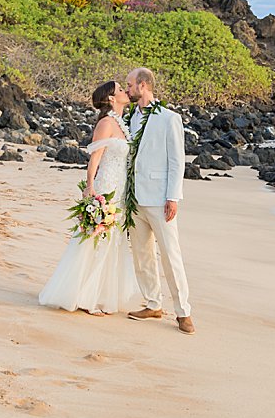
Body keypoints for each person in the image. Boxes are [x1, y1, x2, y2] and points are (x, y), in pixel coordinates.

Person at [37, 81, 138, 315]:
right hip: (106, 185)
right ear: (111, 99)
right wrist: (90, 186)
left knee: (113, 239)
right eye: (120, 89)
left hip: (120, 187)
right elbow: (95, 158)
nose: (125, 92)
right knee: (98, 238)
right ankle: (85, 297)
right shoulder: (105, 123)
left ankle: (101, 294)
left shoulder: (121, 124)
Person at [123, 67, 194, 334]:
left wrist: (173, 197)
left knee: (170, 254)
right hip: (134, 197)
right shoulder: (129, 117)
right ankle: (153, 303)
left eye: (129, 84)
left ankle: (183, 311)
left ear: (142, 85)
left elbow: (177, 160)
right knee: (142, 255)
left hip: (160, 198)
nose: (127, 89)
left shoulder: (169, 118)